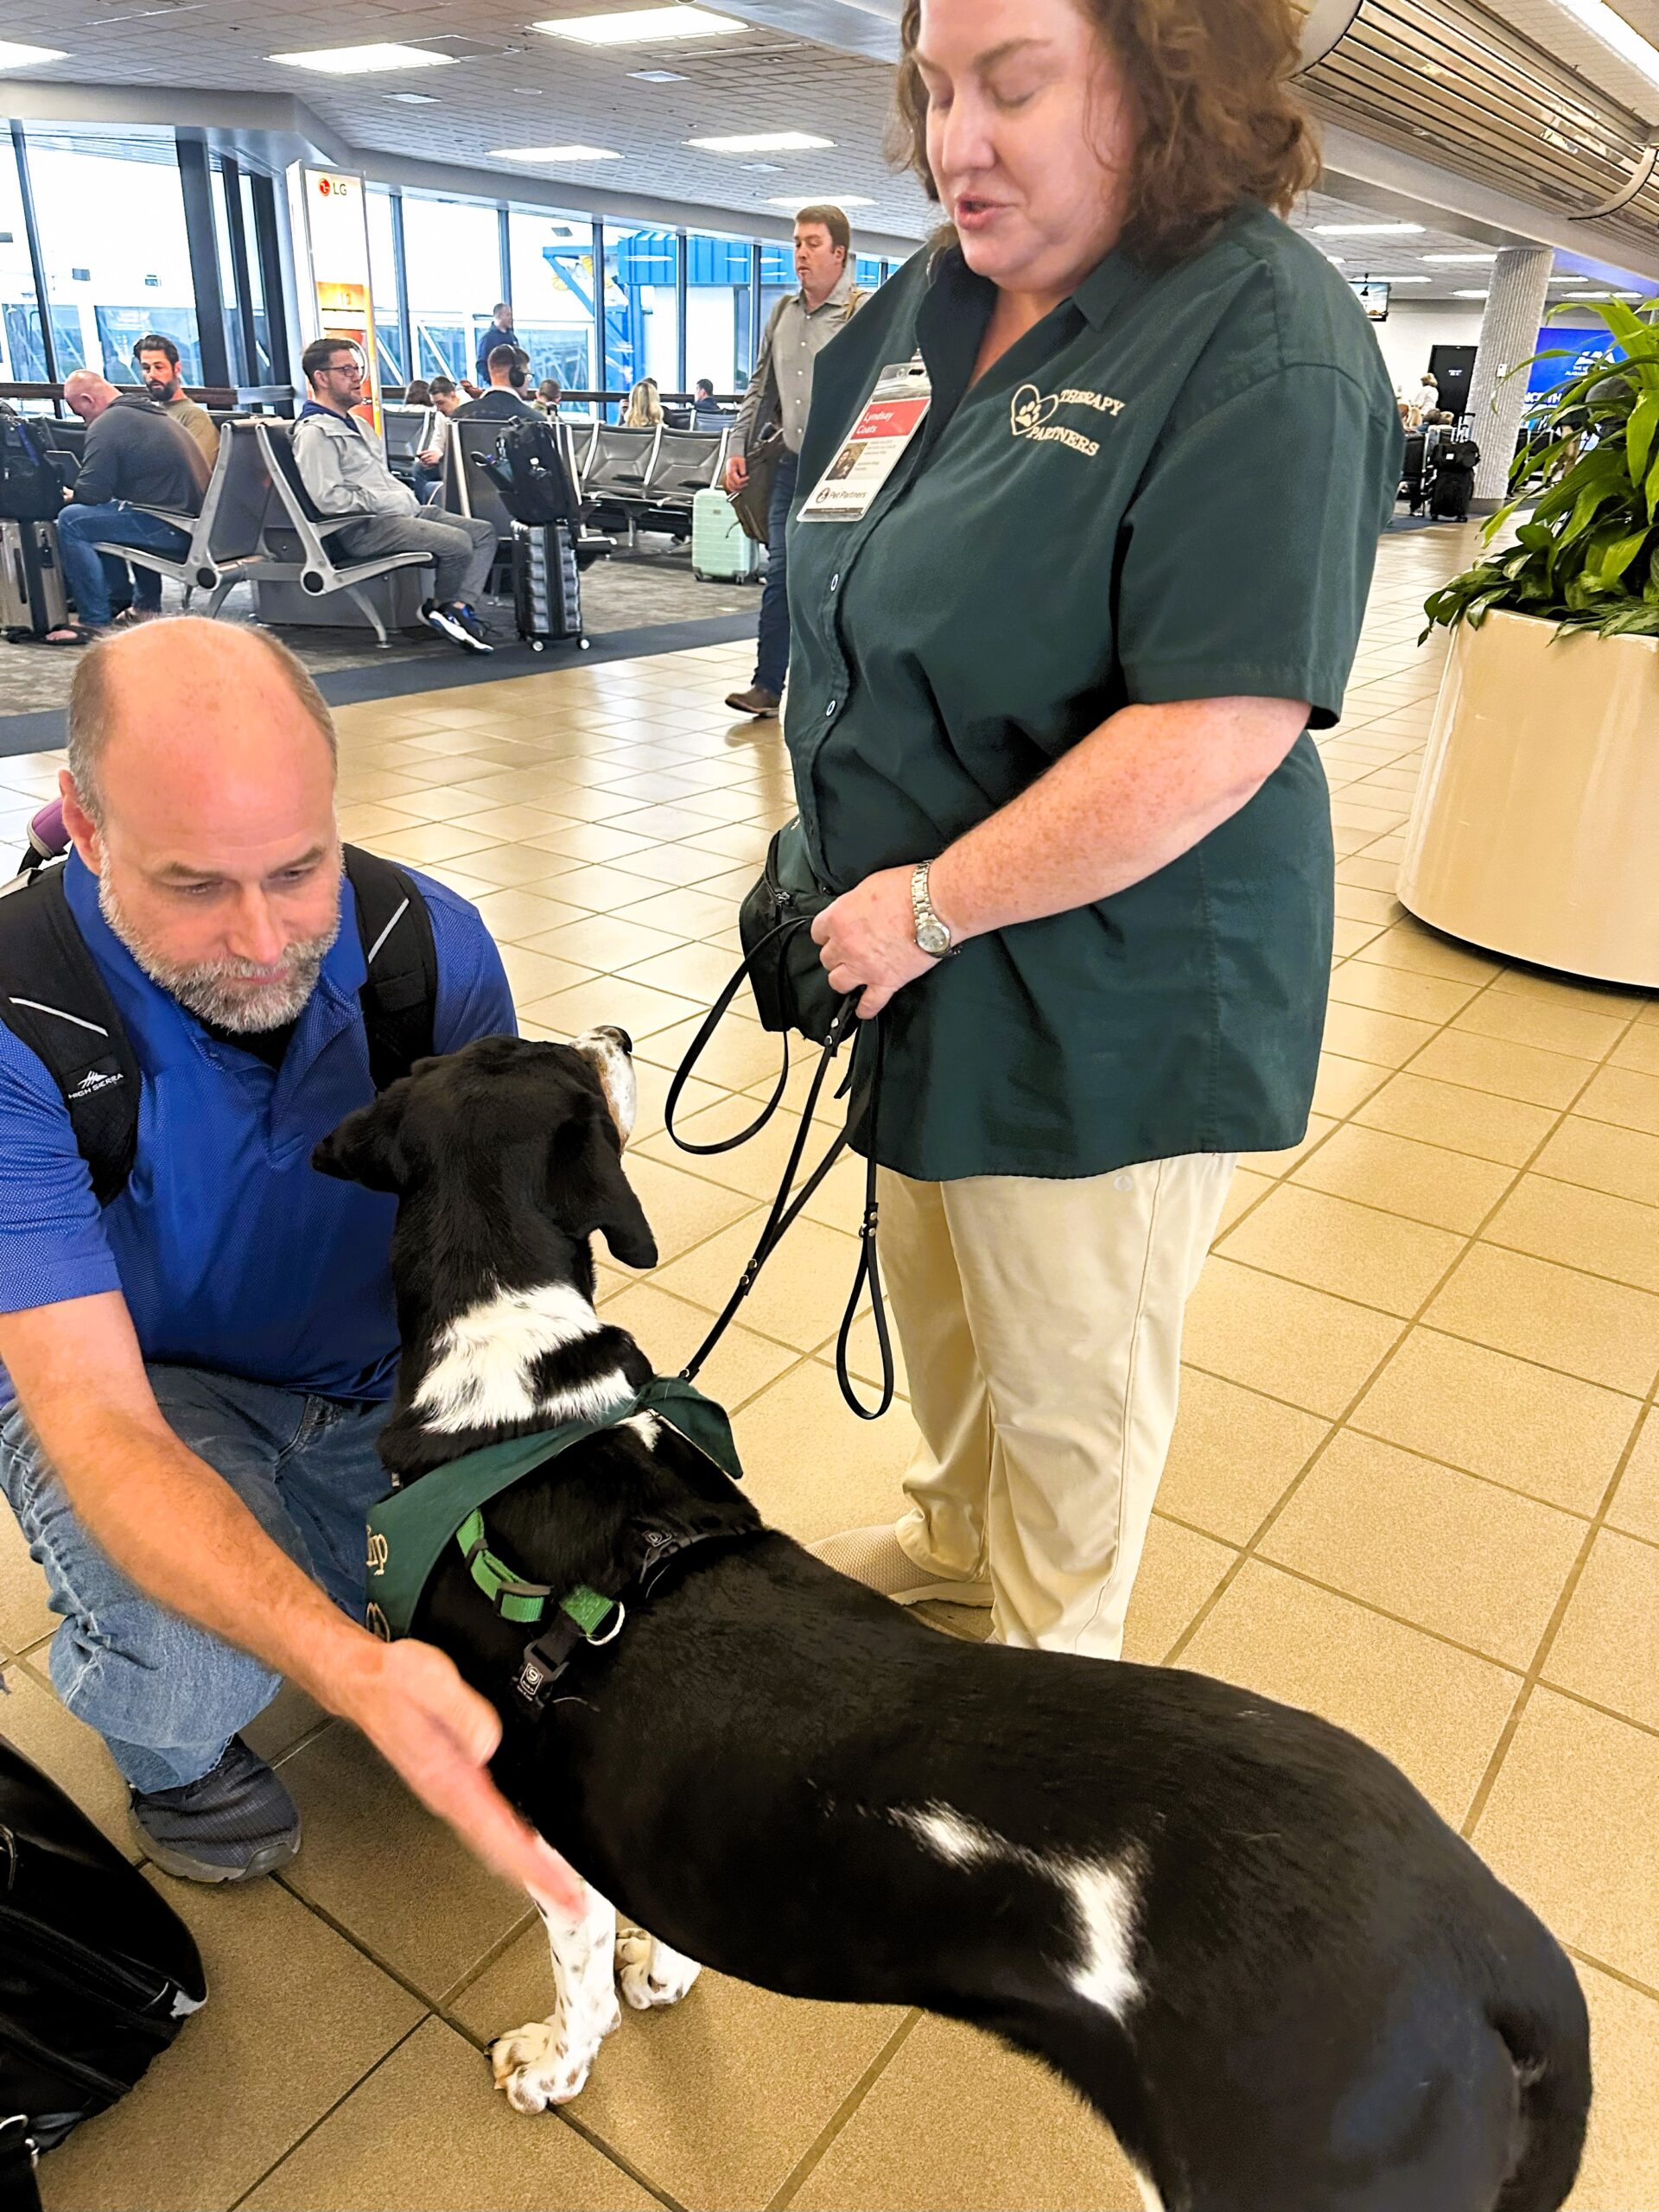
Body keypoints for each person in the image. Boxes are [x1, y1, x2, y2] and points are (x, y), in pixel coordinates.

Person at [799, 0, 1401, 1658]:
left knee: (1070, 1375)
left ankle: (1059, 1691)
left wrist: (928, 905)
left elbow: (1219, 731)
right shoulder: (933, 298)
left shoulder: (1262, 339)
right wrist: (823, 872)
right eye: (932, 90)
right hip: (913, 946)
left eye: (1011, 87)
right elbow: (848, 564)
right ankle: (950, 1543)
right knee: (943, 1306)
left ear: (1164, 79)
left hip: (1106, 983)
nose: (954, 145)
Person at [0, 619, 579, 1910]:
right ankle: (174, 1758)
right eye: (196, 884)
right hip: (144, 1379)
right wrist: (346, 1668)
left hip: (375, 1359)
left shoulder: (424, 951)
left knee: (545, 1601)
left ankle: (325, 1556)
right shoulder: (16, 1021)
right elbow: (94, 1416)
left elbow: (492, 1250)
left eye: (299, 869)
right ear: (85, 833)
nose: (264, 941)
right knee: (197, 1650)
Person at [722, 205, 864, 718]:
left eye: (812, 244)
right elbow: (759, 390)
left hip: (846, 474)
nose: (801, 254)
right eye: (797, 244)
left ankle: (843, 686)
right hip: (792, 465)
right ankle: (767, 685)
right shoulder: (782, 313)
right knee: (780, 570)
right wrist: (736, 448)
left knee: (834, 577)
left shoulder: (862, 313)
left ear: (839, 254)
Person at [291, 337, 496, 655]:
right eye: (346, 370)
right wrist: (388, 501)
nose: (356, 377)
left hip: (397, 513)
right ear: (321, 377)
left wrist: (400, 498)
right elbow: (328, 499)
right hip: (363, 527)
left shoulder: (358, 424)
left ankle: (456, 608)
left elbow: (381, 478)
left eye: (357, 369)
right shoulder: (315, 433)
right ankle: (441, 610)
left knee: (483, 533)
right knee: (456, 543)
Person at [46, 369, 209, 648]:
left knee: (72, 520)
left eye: (80, 414)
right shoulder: (150, 413)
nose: (84, 422)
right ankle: (145, 607)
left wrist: (70, 495)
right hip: (194, 526)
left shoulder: (108, 424)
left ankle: (93, 621)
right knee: (116, 510)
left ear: (88, 399)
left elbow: (91, 493)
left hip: (173, 529)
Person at [133, 334, 219, 469]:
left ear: (176, 369)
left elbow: (196, 472)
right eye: (146, 368)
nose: (152, 375)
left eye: (159, 367)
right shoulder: (150, 414)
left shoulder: (193, 416)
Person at [454, 346, 537, 423]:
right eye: (527, 375)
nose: (528, 382)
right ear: (516, 376)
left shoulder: (458, 415)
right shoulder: (535, 419)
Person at [411, 375, 460, 503]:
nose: (438, 408)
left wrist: (441, 457)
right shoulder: (441, 415)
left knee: (420, 472)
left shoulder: (469, 411)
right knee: (421, 467)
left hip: (460, 464)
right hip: (447, 461)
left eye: (441, 403)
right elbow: (437, 440)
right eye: (435, 404)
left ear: (453, 396)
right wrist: (430, 456)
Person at [475, 302, 515, 383]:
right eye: (508, 315)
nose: (511, 318)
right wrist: (494, 381)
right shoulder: (487, 339)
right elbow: (481, 365)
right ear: (499, 316)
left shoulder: (512, 337)